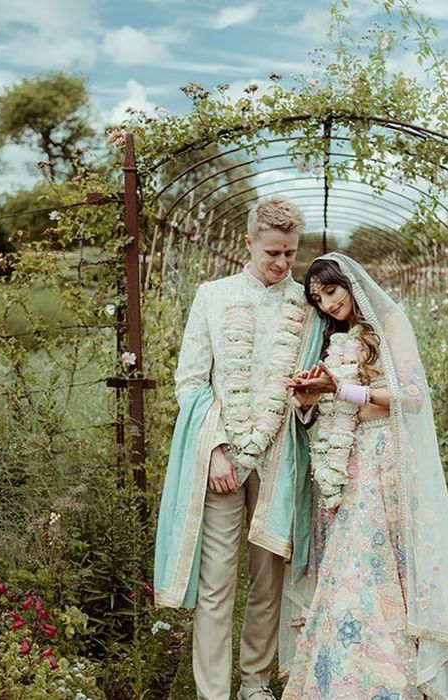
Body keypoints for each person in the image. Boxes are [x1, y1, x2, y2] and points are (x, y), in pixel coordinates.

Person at [280, 253, 448, 699]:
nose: (328, 305)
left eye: (331, 292)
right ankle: (361, 676)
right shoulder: (338, 339)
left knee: (405, 559)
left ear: (350, 283)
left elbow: (412, 397)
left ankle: (426, 666)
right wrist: (309, 399)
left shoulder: (392, 323)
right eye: (318, 300)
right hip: (350, 461)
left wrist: (341, 388)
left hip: (389, 457)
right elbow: (333, 408)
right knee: (355, 566)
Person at [153, 197, 323, 700]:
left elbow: (312, 390)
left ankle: (255, 683)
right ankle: (212, 693)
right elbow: (189, 381)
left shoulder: (307, 307)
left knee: (268, 581)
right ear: (248, 243)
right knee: (217, 581)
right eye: (272, 251)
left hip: (279, 462)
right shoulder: (212, 296)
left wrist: (308, 402)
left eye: (290, 253)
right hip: (222, 460)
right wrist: (218, 451)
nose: (281, 263)